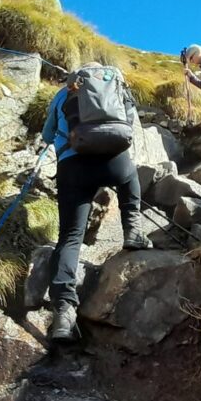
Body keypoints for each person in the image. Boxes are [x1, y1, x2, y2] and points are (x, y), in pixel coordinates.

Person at [40, 63, 152, 342]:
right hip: (114, 161)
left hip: (73, 167)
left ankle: (64, 313)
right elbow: (128, 126)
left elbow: (46, 135)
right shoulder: (116, 85)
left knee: (70, 237)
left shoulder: (63, 92)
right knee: (129, 178)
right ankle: (133, 232)